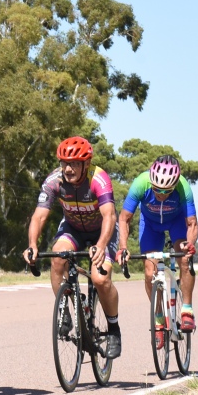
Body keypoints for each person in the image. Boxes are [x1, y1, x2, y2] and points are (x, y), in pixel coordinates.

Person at [23, 136, 122, 358]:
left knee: (100, 279)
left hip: (101, 231)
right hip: (73, 228)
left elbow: (109, 216)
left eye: (75, 163)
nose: (68, 169)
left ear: (86, 164)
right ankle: (64, 310)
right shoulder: (53, 181)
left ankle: (114, 329)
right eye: (65, 163)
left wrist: (101, 245)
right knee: (57, 258)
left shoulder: (99, 179)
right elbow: (39, 217)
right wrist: (32, 245)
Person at [118, 155, 198, 330]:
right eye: (157, 190)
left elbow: (192, 223)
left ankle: (187, 309)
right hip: (150, 225)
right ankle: (159, 315)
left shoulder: (183, 186)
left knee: (185, 259)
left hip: (176, 222)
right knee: (149, 272)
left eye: (166, 191)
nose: (161, 194)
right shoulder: (141, 183)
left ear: (175, 184)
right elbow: (124, 219)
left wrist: (190, 244)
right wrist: (123, 247)